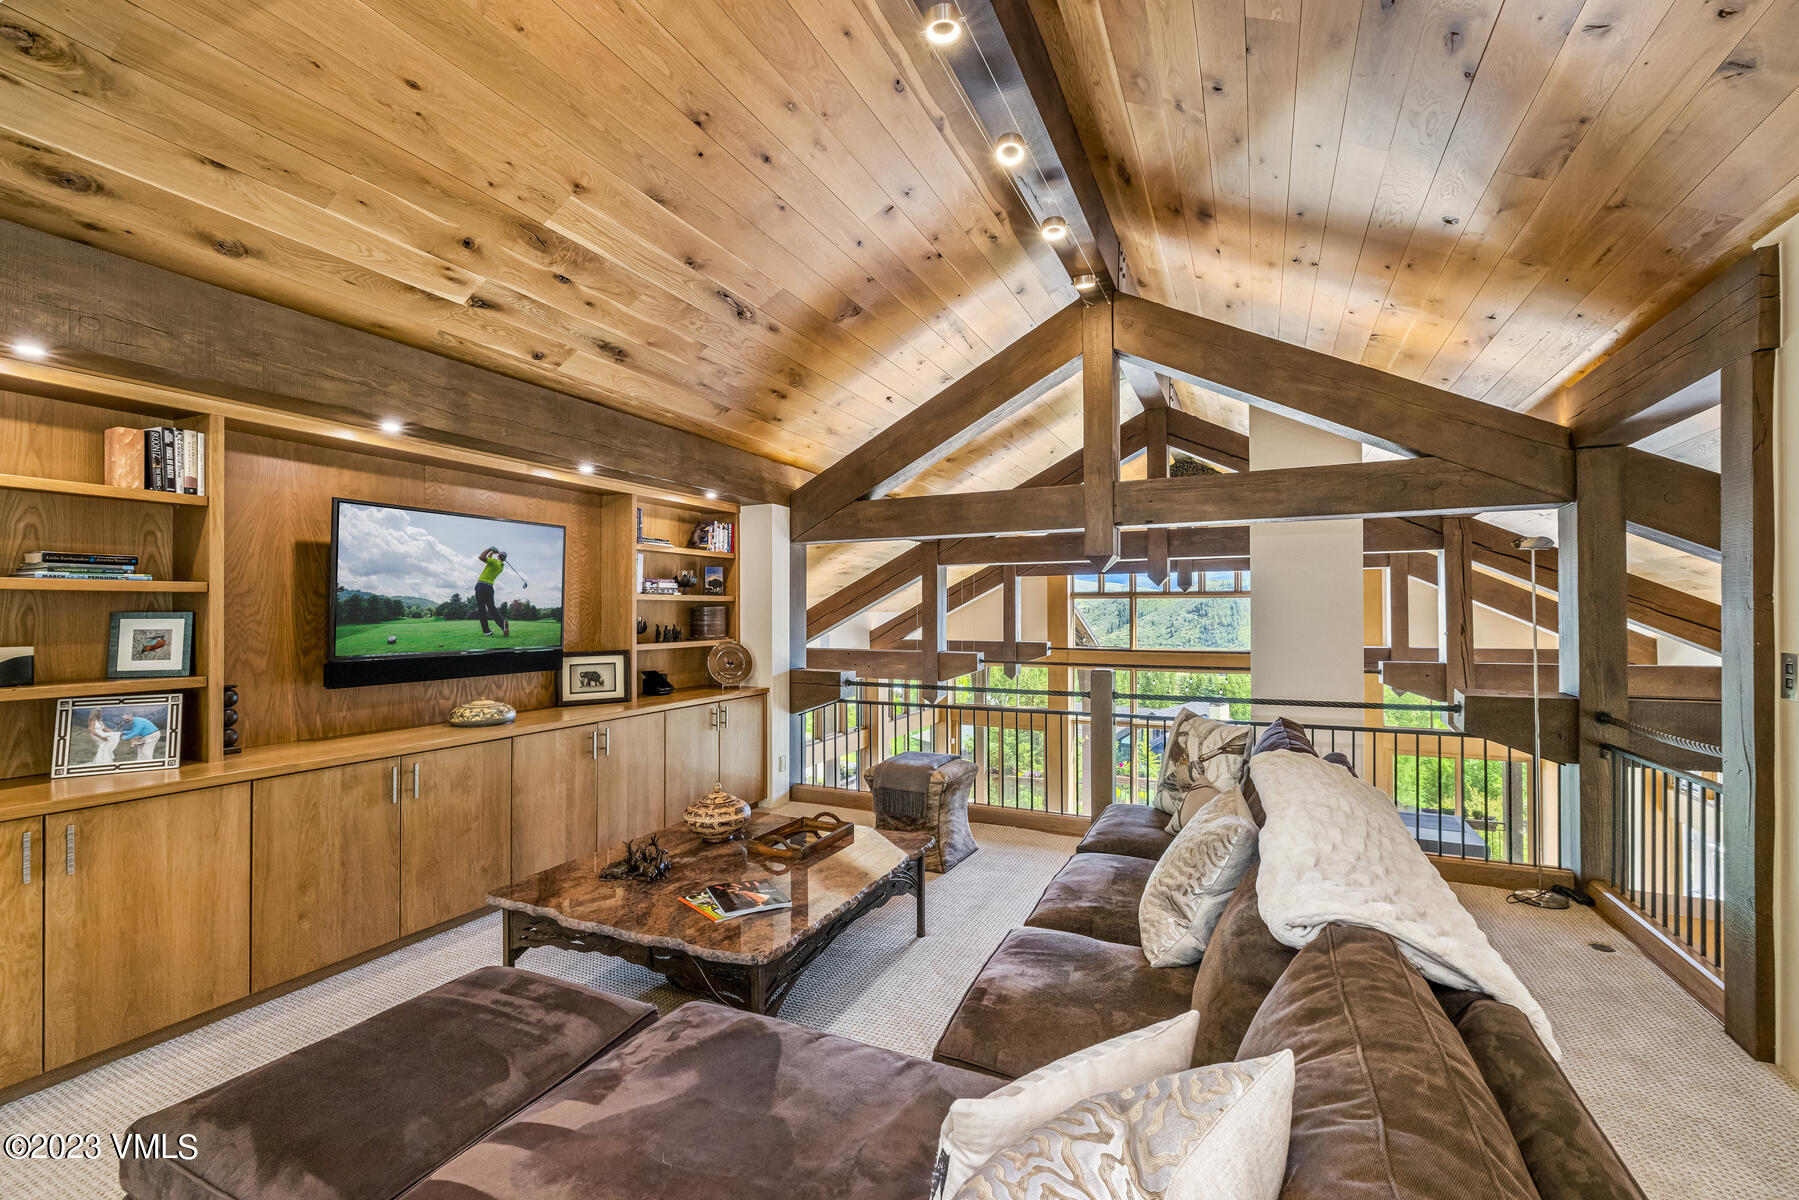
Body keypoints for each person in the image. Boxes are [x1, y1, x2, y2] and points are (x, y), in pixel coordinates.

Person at [474, 547, 511, 637]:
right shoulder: (500, 567)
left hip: (481, 586)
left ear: (498, 556)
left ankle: (486, 630)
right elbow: (489, 558)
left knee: (482, 610)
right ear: (504, 559)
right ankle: (503, 625)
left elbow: (481, 557)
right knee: (492, 608)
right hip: (489, 588)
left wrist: (490, 549)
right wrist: (492, 553)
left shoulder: (494, 562)